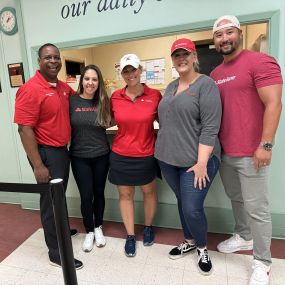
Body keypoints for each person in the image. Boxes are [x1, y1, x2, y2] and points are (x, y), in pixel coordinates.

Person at [210, 15, 283, 285]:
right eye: (219, 34)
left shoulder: (259, 62)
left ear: (239, 34)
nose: (224, 38)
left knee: (257, 209)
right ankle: (243, 236)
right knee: (236, 198)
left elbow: (274, 104)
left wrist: (265, 145)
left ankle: (262, 262)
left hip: (253, 153)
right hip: (226, 152)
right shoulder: (215, 74)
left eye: (229, 33)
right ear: (214, 40)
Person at [155, 38, 222, 275]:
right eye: (176, 55)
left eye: (186, 54)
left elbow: (211, 127)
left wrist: (203, 162)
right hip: (167, 158)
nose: (181, 59)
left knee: (192, 207)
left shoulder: (206, 85)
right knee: (182, 201)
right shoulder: (172, 86)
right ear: (172, 60)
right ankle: (190, 241)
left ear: (195, 57)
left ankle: (202, 247)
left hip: (196, 161)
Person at [14, 43, 83, 269]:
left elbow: (82, 101)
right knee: (50, 202)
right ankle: (56, 252)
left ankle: (61, 231)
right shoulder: (30, 89)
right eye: (48, 57)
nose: (53, 61)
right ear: (39, 61)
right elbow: (24, 129)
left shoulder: (63, 87)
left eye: (56, 57)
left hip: (61, 151)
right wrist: (38, 165)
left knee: (58, 198)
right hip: (45, 153)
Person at [108, 53, 162, 257]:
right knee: (125, 195)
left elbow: (165, 123)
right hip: (121, 154)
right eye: (126, 71)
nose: (130, 74)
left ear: (140, 70)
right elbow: (108, 120)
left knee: (148, 192)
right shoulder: (115, 96)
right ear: (122, 74)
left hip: (146, 153)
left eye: (133, 69)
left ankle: (148, 227)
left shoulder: (154, 96)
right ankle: (130, 236)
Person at [69, 64, 111, 252]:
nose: (90, 83)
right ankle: (89, 231)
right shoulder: (72, 101)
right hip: (79, 157)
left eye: (94, 79)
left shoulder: (104, 101)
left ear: (98, 82)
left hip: (101, 155)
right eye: (87, 79)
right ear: (82, 81)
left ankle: (98, 227)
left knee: (99, 193)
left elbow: (115, 120)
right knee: (86, 196)